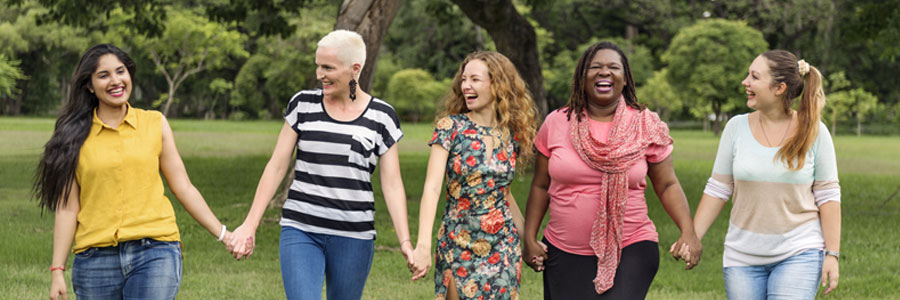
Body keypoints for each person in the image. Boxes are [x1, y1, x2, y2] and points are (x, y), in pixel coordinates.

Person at [226, 30, 414, 300]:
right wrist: (249, 225)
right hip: (301, 228)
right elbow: (277, 165)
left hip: (354, 236)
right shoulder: (303, 104)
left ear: (355, 69)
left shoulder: (382, 116)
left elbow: (393, 184)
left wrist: (405, 242)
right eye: (317, 65)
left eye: (328, 67)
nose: (319, 74)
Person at [34, 44, 232, 300]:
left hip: (154, 250)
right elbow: (68, 208)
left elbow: (183, 186)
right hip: (95, 258)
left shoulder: (155, 123)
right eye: (104, 75)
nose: (115, 81)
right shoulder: (74, 137)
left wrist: (223, 234)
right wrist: (57, 270)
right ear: (90, 85)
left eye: (120, 71)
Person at [522, 41, 702, 299]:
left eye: (613, 67)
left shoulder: (645, 124)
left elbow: (667, 185)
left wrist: (688, 232)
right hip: (564, 249)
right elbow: (540, 186)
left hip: (632, 245)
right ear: (581, 79)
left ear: (625, 79)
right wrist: (529, 237)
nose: (604, 72)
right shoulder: (557, 122)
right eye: (595, 67)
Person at [677, 50, 841, 299]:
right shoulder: (735, 128)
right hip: (742, 256)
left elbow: (828, 196)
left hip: (799, 251)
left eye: (754, 77)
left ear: (779, 88)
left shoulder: (815, 132)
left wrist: (832, 254)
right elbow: (718, 188)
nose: (745, 82)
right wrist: (692, 237)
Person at [409, 51, 538, 300]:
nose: (466, 85)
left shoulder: (511, 135)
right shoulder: (450, 128)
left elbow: (505, 195)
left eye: (475, 79)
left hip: (503, 245)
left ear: (497, 84)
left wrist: (528, 242)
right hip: (459, 242)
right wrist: (423, 246)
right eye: (464, 79)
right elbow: (432, 189)